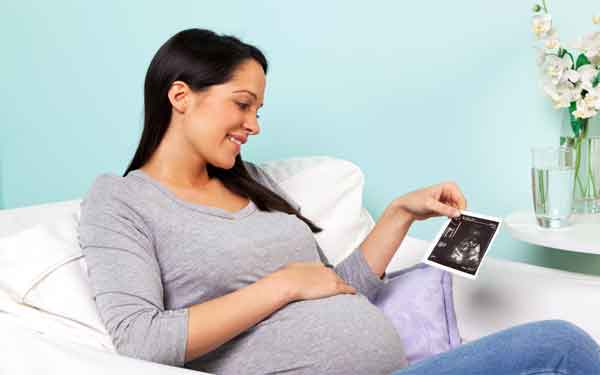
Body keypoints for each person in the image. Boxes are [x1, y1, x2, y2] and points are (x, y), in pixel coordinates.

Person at [77, 28, 600, 375]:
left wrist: (399, 213)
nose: (254, 125)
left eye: (259, 109)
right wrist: (282, 285)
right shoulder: (122, 202)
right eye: (242, 104)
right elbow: (140, 340)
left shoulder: (252, 182)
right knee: (559, 346)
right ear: (181, 96)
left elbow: (336, 288)